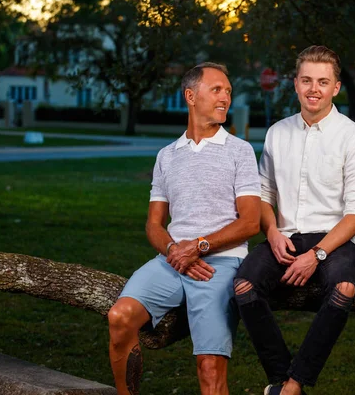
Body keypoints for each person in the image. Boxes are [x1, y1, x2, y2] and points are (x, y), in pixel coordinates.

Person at [107, 62, 261, 395]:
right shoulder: (167, 155)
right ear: (191, 96)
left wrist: (199, 247)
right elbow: (153, 224)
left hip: (219, 265)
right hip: (172, 261)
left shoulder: (240, 151)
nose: (225, 98)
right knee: (120, 318)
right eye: (216, 89)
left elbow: (251, 222)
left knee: (209, 367)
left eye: (228, 92)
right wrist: (175, 250)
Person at [234, 45, 355, 395]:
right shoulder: (276, 133)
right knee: (243, 286)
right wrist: (270, 231)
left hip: (335, 239)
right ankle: (282, 376)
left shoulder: (354, 138)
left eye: (323, 82)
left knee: (343, 289)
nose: (314, 89)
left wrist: (316, 255)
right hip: (282, 235)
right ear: (295, 84)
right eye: (307, 80)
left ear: (336, 88)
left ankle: (294, 385)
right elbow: (264, 194)